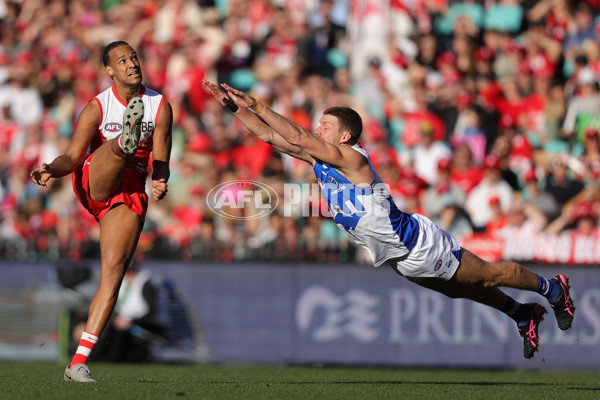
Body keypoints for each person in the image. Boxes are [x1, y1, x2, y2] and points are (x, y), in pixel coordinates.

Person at [202, 80, 575, 360]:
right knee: (461, 289)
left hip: (416, 243)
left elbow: (295, 134)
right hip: (397, 256)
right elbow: (272, 136)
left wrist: (256, 102)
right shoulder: (322, 160)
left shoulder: (352, 158)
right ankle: (522, 314)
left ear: (345, 136)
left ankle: (553, 289)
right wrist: (235, 110)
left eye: (326, 127)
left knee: (487, 275)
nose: (318, 131)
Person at [31, 41, 173, 382]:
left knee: (112, 275)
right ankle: (124, 142)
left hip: (130, 191)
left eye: (134, 57)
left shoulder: (160, 105)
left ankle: (78, 363)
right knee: (115, 152)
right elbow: (73, 155)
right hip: (95, 179)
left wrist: (161, 181)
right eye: (122, 60)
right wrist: (52, 167)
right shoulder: (97, 106)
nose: (131, 64)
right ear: (109, 70)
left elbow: (162, 158)